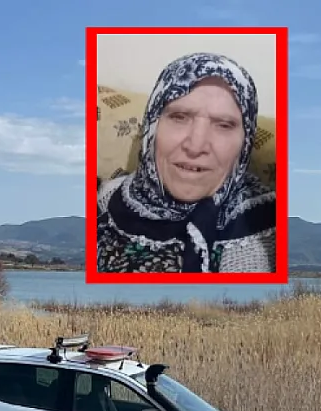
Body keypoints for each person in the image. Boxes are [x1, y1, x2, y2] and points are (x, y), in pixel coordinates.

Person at [96, 52, 275, 273]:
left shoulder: (265, 223)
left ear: (245, 142)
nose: (196, 145)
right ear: (152, 125)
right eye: (179, 117)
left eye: (224, 125)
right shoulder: (103, 200)